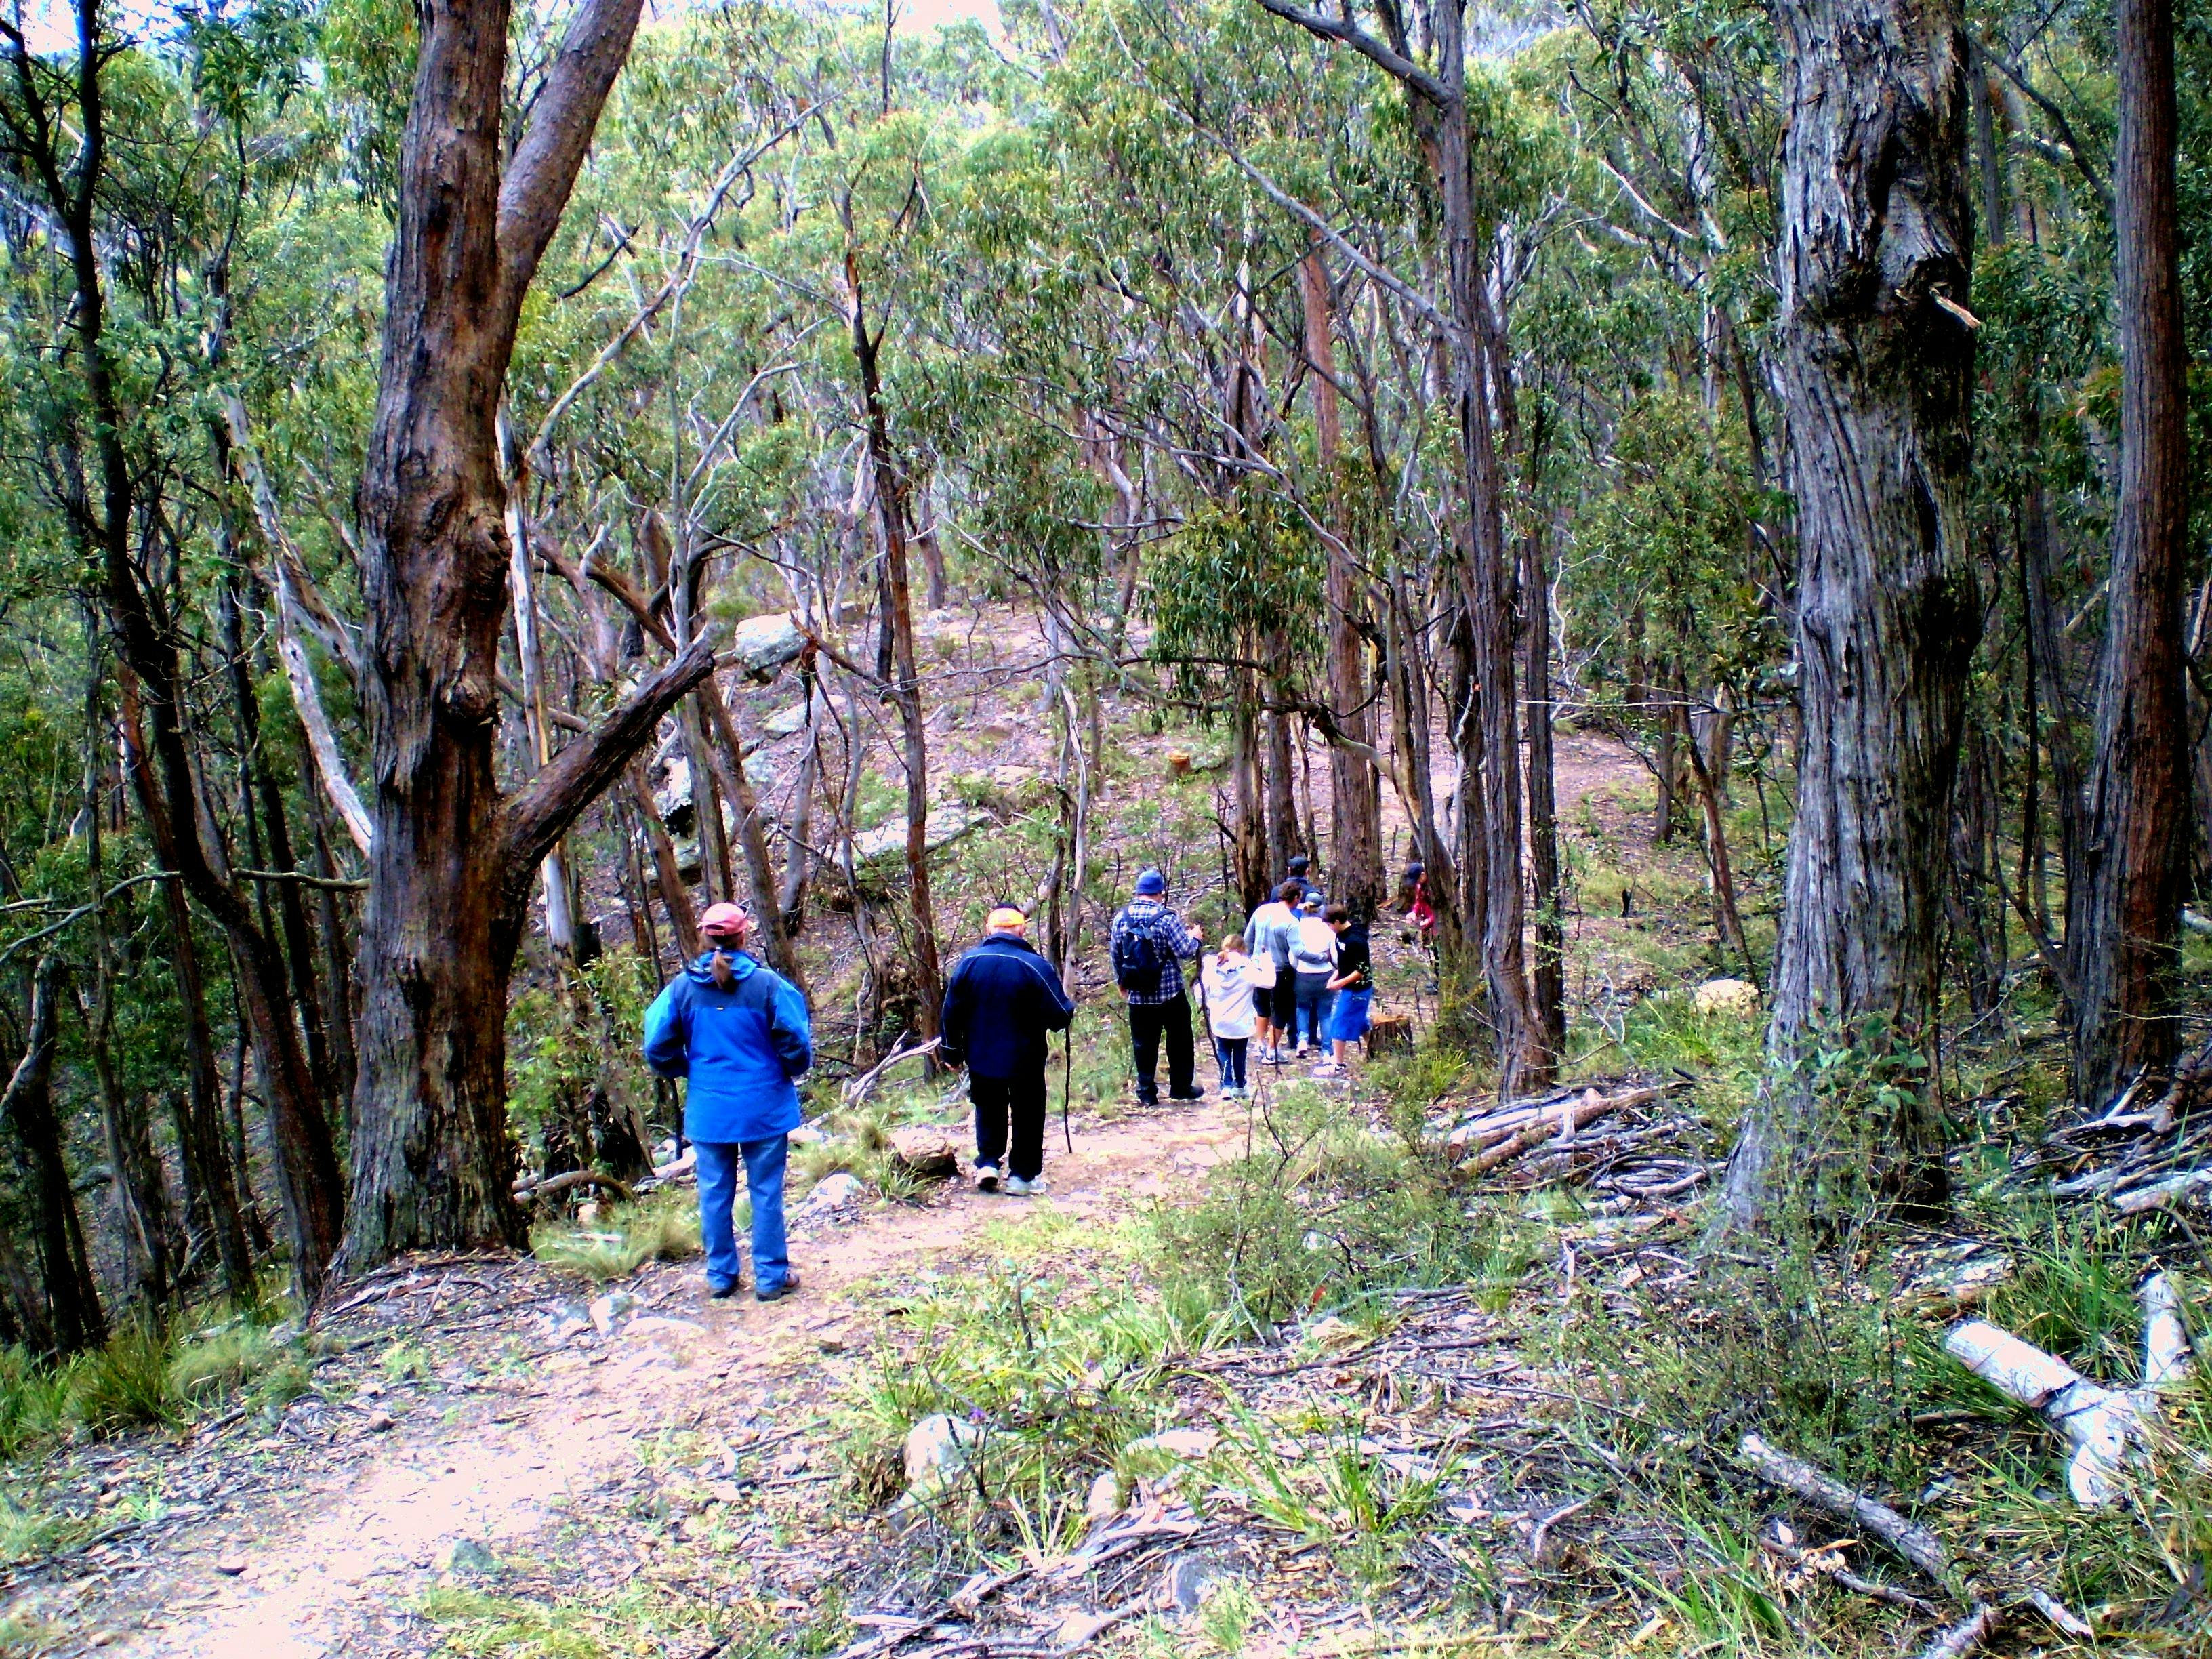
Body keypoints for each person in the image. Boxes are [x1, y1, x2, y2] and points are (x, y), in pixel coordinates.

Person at [642, 901, 812, 1303]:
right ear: (743, 935)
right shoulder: (768, 985)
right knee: (766, 1191)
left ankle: (721, 1276)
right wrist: (783, 1069)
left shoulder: (681, 988)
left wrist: (690, 1070)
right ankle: (771, 1278)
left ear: (704, 935)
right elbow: (796, 1041)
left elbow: (657, 1046)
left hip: (710, 1108)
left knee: (714, 1192)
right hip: (764, 1104)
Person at [941, 905, 1075, 1196]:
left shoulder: (968, 963)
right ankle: (1022, 1178)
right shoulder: (1034, 965)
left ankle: (988, 1164)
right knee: (1028, 1113)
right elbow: (1059, 1016)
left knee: (989, 1109)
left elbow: (950, 1012)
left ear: (990, 929)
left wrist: (951, 1050)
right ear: (1021, 928)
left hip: (981, 1057)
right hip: (1024, 1058)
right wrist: (1068, 1010)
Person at [1111, 869, 1204, 1105]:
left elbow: (1116, 953)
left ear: (1138, 892)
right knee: (1180, 1041)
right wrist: (1196, 937)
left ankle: (1146, 1092)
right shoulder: (1166, 918)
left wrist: (1121, 982)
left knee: (1143, 1044)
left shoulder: (1122, 917)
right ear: (1160, 893)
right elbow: (1185, 950)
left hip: (1138, 995)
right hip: (1169, 992)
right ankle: (1181, 1087)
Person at [1242, 879, 1302, 1064]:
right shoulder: (1291, 921)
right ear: (1296, 898)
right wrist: (1322, 958)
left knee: (1262, 1007)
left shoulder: (1261, 911)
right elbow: (1298, 951)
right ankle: (1272, 1050)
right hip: (1281, 970)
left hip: (1259, 967)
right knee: (1281, 1011)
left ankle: (1259, 1044)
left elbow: (1247, 938)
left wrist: (1252, 959)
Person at [1314, 903, 1372, 1078]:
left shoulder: (1356, 941)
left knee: (1338, 1022)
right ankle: (1378, 1049)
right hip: (1347, 985)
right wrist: (1335, 976)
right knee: (1360, 1021)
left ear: (1338, 921)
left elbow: (1362, 970)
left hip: (1357, 990)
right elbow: (1346, 964)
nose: (1329, 928)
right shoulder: (1340, 936)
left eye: (1330, 925)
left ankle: (1337, 1063)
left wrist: (1339, 984)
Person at [1196, 933, 1258, 1099]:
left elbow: (1200, 990)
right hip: (1241, 1021)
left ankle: (1226, 1085)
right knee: (1240, 1053)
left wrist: (1205, 1005)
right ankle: (1241, 1085)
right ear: (1243, 949)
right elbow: (1266, 982)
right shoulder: (1248, 968)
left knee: (1223, 1051)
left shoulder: (1212, 966)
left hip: (1220, 1019)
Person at [1288, 892, 1339, 1057]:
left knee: (1302, 1008)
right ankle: (1326, 1049)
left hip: (1303, 975)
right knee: (1325, 1013)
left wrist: (1298, 967)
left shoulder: (1297, 927)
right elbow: (1335, 956)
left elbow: (1293, 956)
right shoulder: (1329, 929)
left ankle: (1302, 1041)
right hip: (1325, 975)